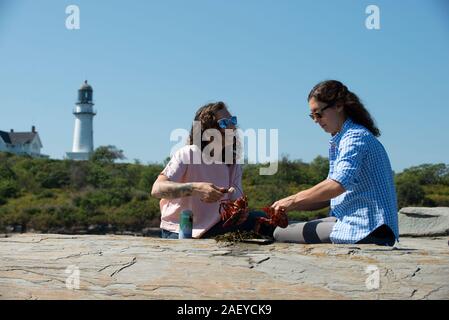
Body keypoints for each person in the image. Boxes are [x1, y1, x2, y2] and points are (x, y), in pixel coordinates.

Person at [272, 80, 399, 246]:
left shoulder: (354, 137)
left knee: (279, 232)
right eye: (312, 116)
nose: (316, 120)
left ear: (339, 105)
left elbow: (336, 186)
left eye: (319, 114)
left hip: (366, 228)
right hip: (364, 224)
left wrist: (293, 200)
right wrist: (288, 206)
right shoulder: (347, 137)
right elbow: (330, 195)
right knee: (289, 225)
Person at [151, 101, 272, 239]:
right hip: (179, 230)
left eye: (233, 120)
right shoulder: (188, 153)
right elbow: (157, 189)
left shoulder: (232, 163)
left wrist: (240, 213)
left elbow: (235, 202)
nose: (233, 127)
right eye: (224, 123)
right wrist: (196, 188)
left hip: (214, 227)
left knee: (262, 218)